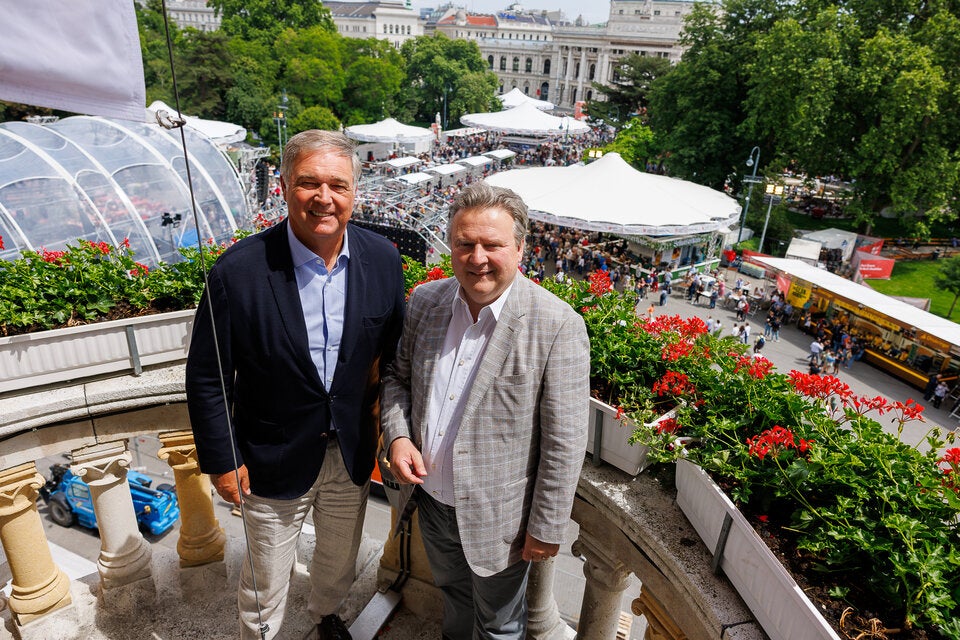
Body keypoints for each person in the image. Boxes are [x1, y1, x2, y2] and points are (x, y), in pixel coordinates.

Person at [185, 130, 406, 640]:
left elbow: (393, 361)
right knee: (265, 576)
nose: (324, 198)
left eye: (338, 185)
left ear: (355, 191)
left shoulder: (383, 260)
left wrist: (395, 434)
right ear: (284, 186)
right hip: (270, 458)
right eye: (309, 183)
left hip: (350, 454)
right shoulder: (238, 271)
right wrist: (221, 460)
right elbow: (208, 377)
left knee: (337, 559)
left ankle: (327, 617)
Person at [381, 183, 590, 640]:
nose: (477, 257)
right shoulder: (426, 301)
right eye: (465, 244)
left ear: (519, 248)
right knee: (453, 596)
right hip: (432, 503)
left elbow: (565, 440)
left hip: (502, 519)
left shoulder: (557, 325)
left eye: (492, 245)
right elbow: (397, 379)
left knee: (500, 625)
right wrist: (397, 437)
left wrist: (548, 526)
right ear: (451, 246)